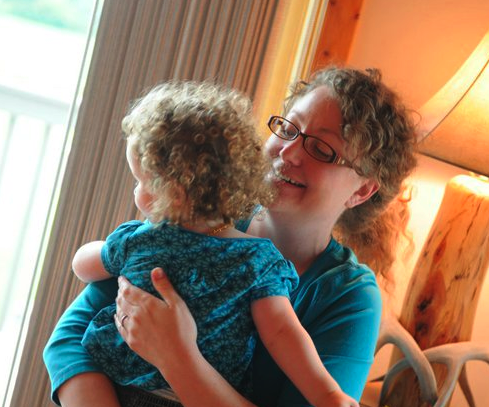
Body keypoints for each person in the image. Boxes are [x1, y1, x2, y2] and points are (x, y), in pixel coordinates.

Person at [43, 66, 418, 407]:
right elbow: (68, 341)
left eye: (322, 148)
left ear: (362, 191)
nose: (289, 152)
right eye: (289, 128)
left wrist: (178, 357)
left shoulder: (347, 296)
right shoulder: (201, 215)